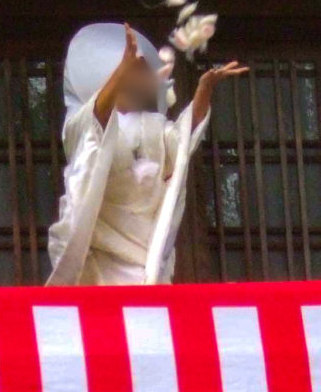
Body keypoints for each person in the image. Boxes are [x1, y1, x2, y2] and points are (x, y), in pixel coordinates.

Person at [46, 23, 247, 286]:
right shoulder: (81, 126)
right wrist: (122, 68)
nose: (145, 79)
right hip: (100, 259)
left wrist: (203, 91)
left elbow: (183, 140)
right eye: (135, 72)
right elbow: (93, 128)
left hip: (145, 259)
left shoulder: (154, 126)